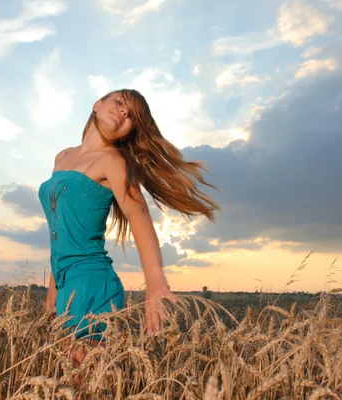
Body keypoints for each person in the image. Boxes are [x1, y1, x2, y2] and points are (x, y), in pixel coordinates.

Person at [38, 89, 219, 366]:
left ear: (130, 131)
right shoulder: (62, 157)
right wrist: (53, 287)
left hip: (91, 283)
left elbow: (138, 212)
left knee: (83, 382)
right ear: (97, 104)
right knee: (69, 382)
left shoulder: (113, 161)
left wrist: (155, 280)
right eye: (120, 103)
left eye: (131, 115)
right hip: (66, 283)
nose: (123, 112)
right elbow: (62, 231)